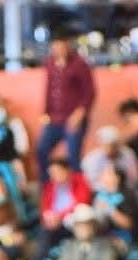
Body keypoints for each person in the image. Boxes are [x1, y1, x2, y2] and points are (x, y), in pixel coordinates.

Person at [36, 31, 96, 176]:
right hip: (54, 118)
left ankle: (76, 187)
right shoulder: (49, 63)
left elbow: (89, 92)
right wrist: (45, 113)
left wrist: (79, 114)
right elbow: (49, 89)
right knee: (41, 150)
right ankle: (48, 186)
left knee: (73, 156)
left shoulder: (80, 64)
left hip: (73, 118)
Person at [54, 204, 119, 260]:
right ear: (74, 228)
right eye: (79, 225)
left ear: (94, 226)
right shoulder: (68, 246)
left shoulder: (106, 245)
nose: (83, 229)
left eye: (87, 224)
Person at [81, 124, 138, 188]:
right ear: (101, 144)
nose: (111, 148)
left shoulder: (127, 153)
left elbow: (136, 176)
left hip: (128, 188)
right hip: (102, 191)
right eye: (108, 145)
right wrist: (110, 186)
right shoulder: (91, 160)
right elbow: (91, 183)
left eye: (114, 145)